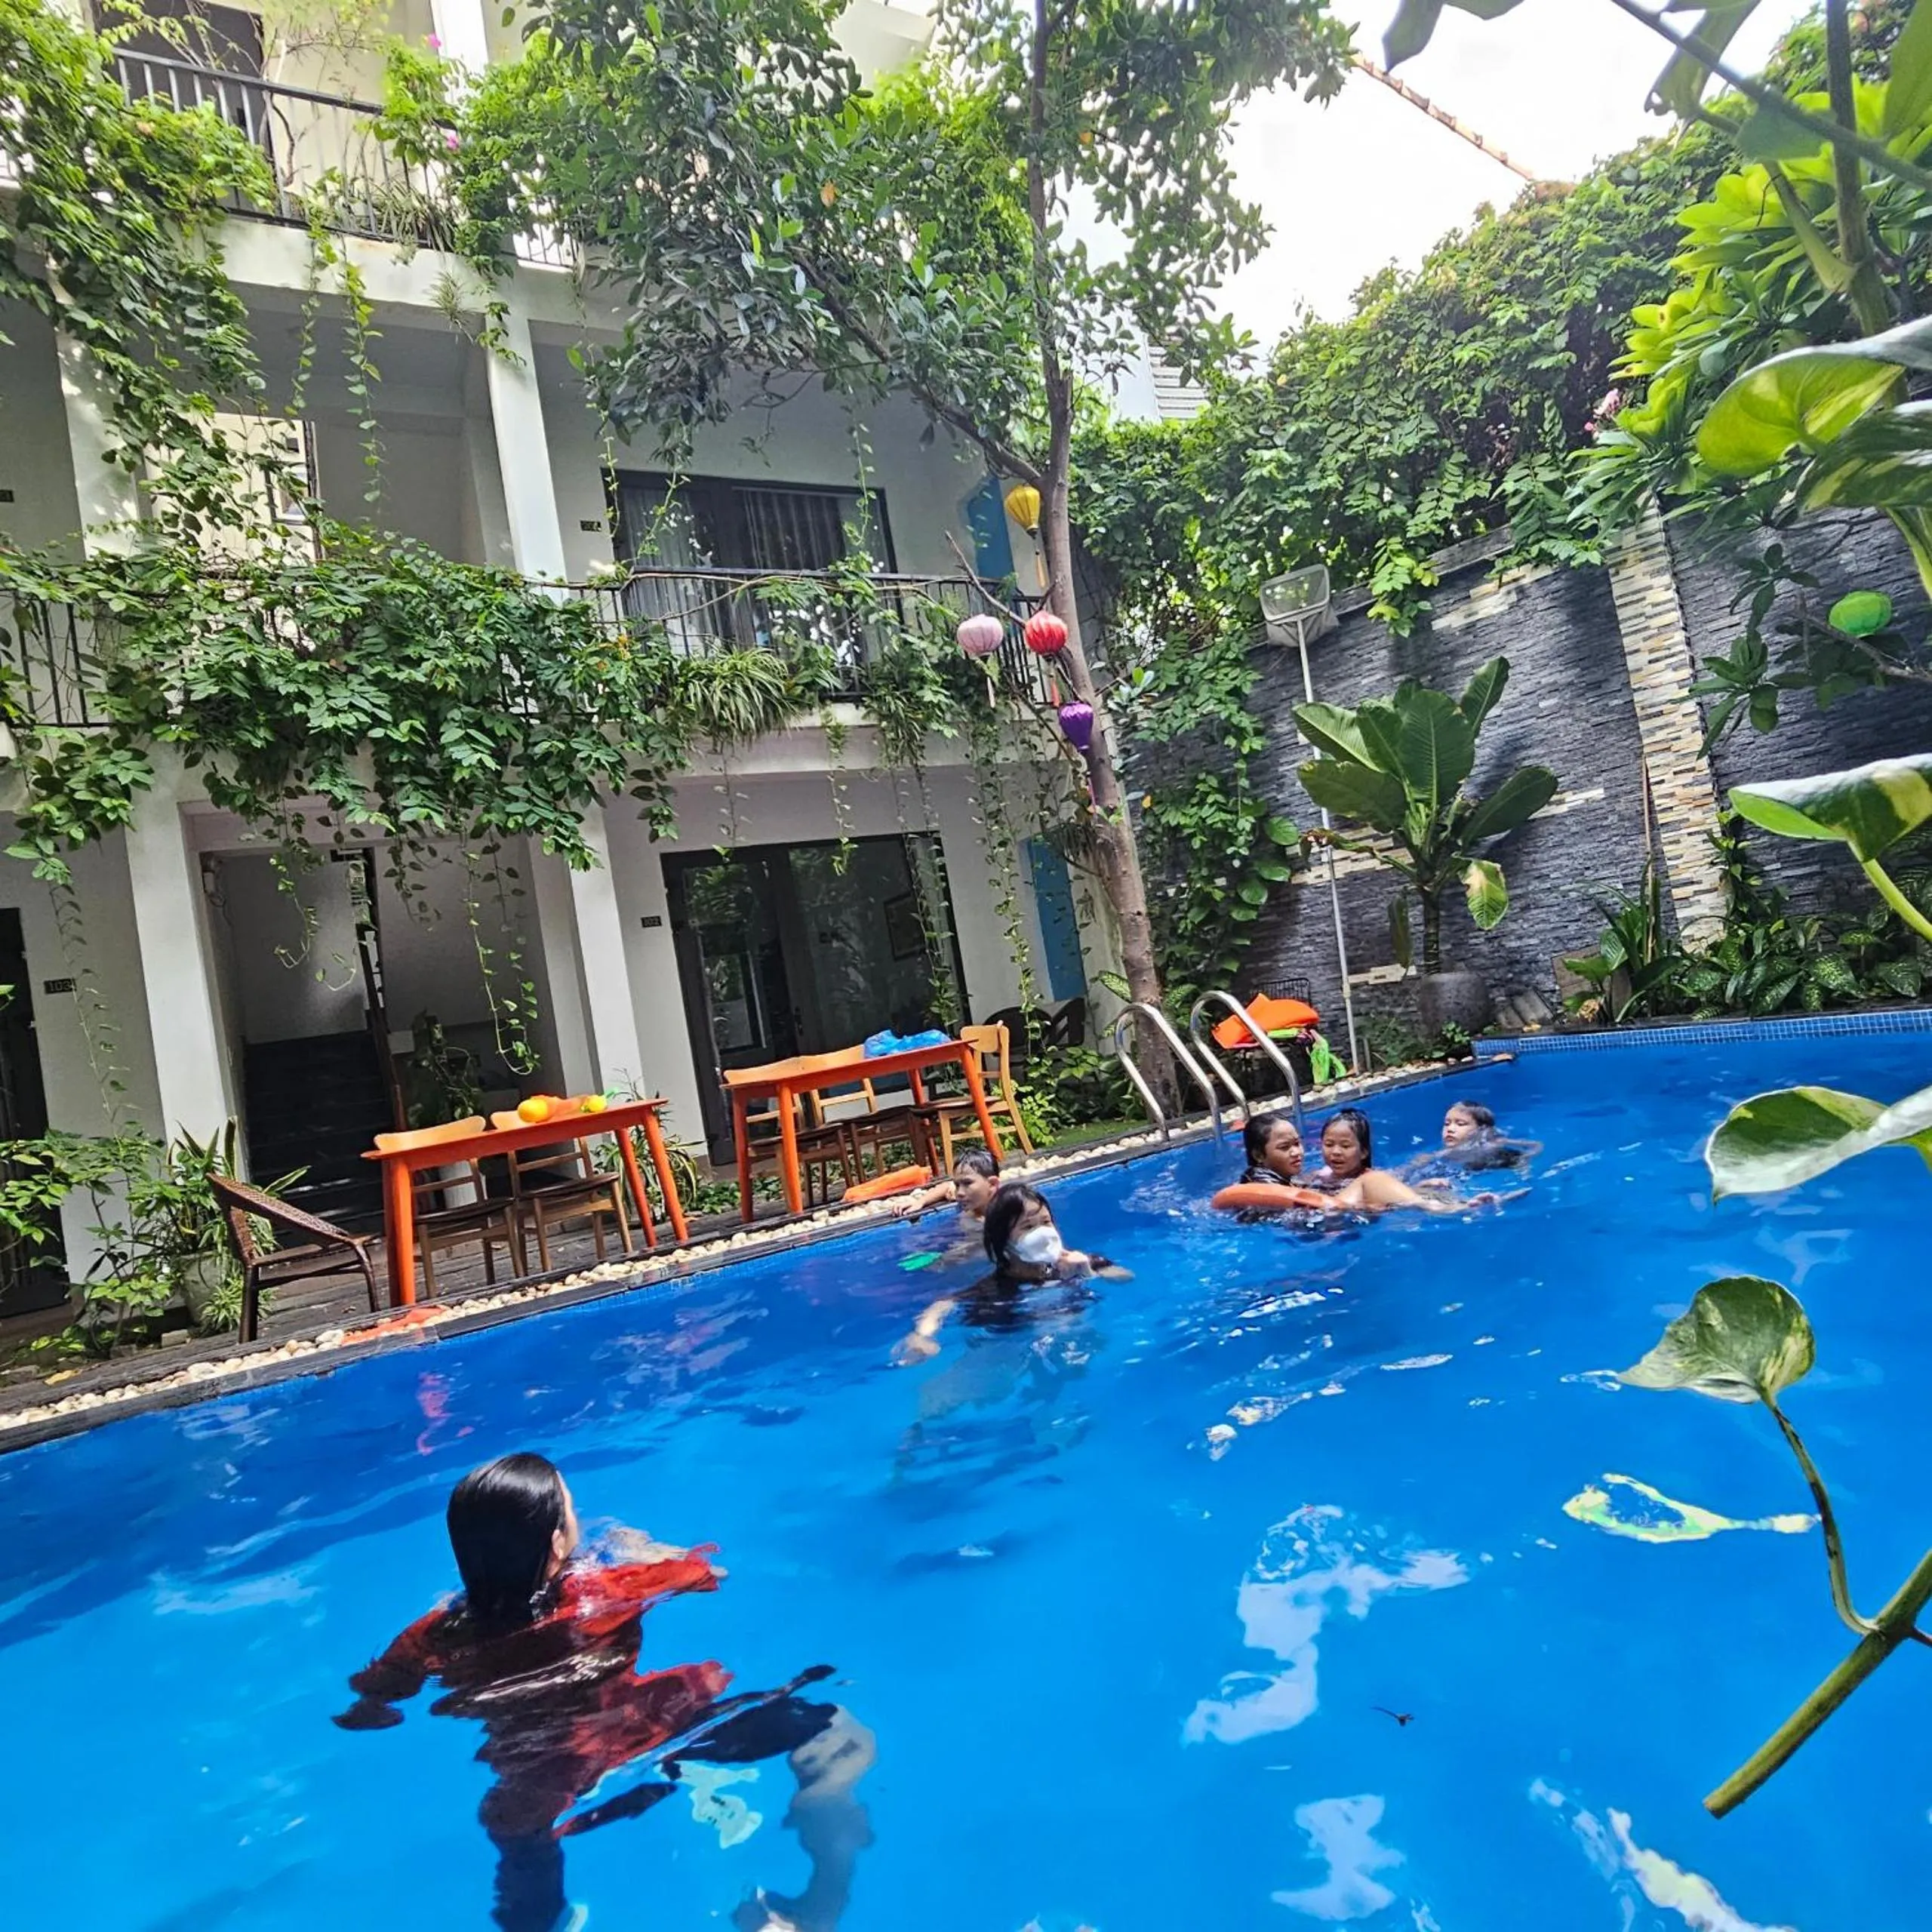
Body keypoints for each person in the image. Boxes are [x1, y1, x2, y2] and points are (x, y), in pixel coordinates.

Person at [334, 1454, 875, 1932]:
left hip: (539, 1793)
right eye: (571, 1509)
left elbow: (370, 1708)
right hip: (654, 1740)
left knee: (527, 1889)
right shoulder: (605, 1591)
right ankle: (822, 1903)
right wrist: (641, 1548)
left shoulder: (430, 1636)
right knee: (834, 1730)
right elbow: (714, 1573)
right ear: (556, 1542)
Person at [894, 1183, 1124, 1364]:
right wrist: (921, 1336)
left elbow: (1125, 1278)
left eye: (1046, 1222)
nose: (1043, 1233)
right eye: (1028, 1227)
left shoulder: (1080, 1263)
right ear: (1004, 1242)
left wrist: (1086, 1271)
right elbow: (943, 1304)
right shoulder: (998, 1288)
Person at [1309, 1106, 1484, 1214]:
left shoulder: (1371, 1177)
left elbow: (1392, 1197)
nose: (1336, 1152)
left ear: (1364, 1152)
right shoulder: (1318, 1176)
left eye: (1346, 1146)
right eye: (1329, 1145)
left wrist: (1421, 1188)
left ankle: (1458, 1207)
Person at [895, 1147, 1001, 1222]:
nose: (959, 1193)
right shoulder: (968, 1201)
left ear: (992, 1184)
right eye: (957, 1185)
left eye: (967, 1183)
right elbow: (946, 1186)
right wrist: (920, 1202)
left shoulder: (1006, 1214)